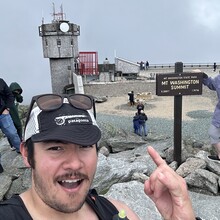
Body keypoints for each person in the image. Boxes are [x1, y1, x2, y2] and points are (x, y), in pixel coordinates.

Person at [0, 93, 198, 219]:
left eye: (85, 145)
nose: (75, 164)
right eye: (56, 148)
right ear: (27, 153)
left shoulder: (117, 212)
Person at [203, 72, 220, 162]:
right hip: (219, 115)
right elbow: (212, 84)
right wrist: (203, 77)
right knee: (213, 133)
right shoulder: (218, 78)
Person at [0, 78, 20, 154]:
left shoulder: (1, 81)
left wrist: (7, 108)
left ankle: (20, 149)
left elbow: (10, 95)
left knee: (12, 133)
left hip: (3, 114)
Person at [8, 82, 23, 150]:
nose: (17, 91)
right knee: (11, 130)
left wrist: (18, 94)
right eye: (15, 90)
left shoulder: (15, 96)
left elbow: (20, 100)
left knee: (18, 128)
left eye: (18, 90)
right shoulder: (7, 96)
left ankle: (19, 142)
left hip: (14, 115)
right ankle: (12, 145)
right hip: (8, 115)